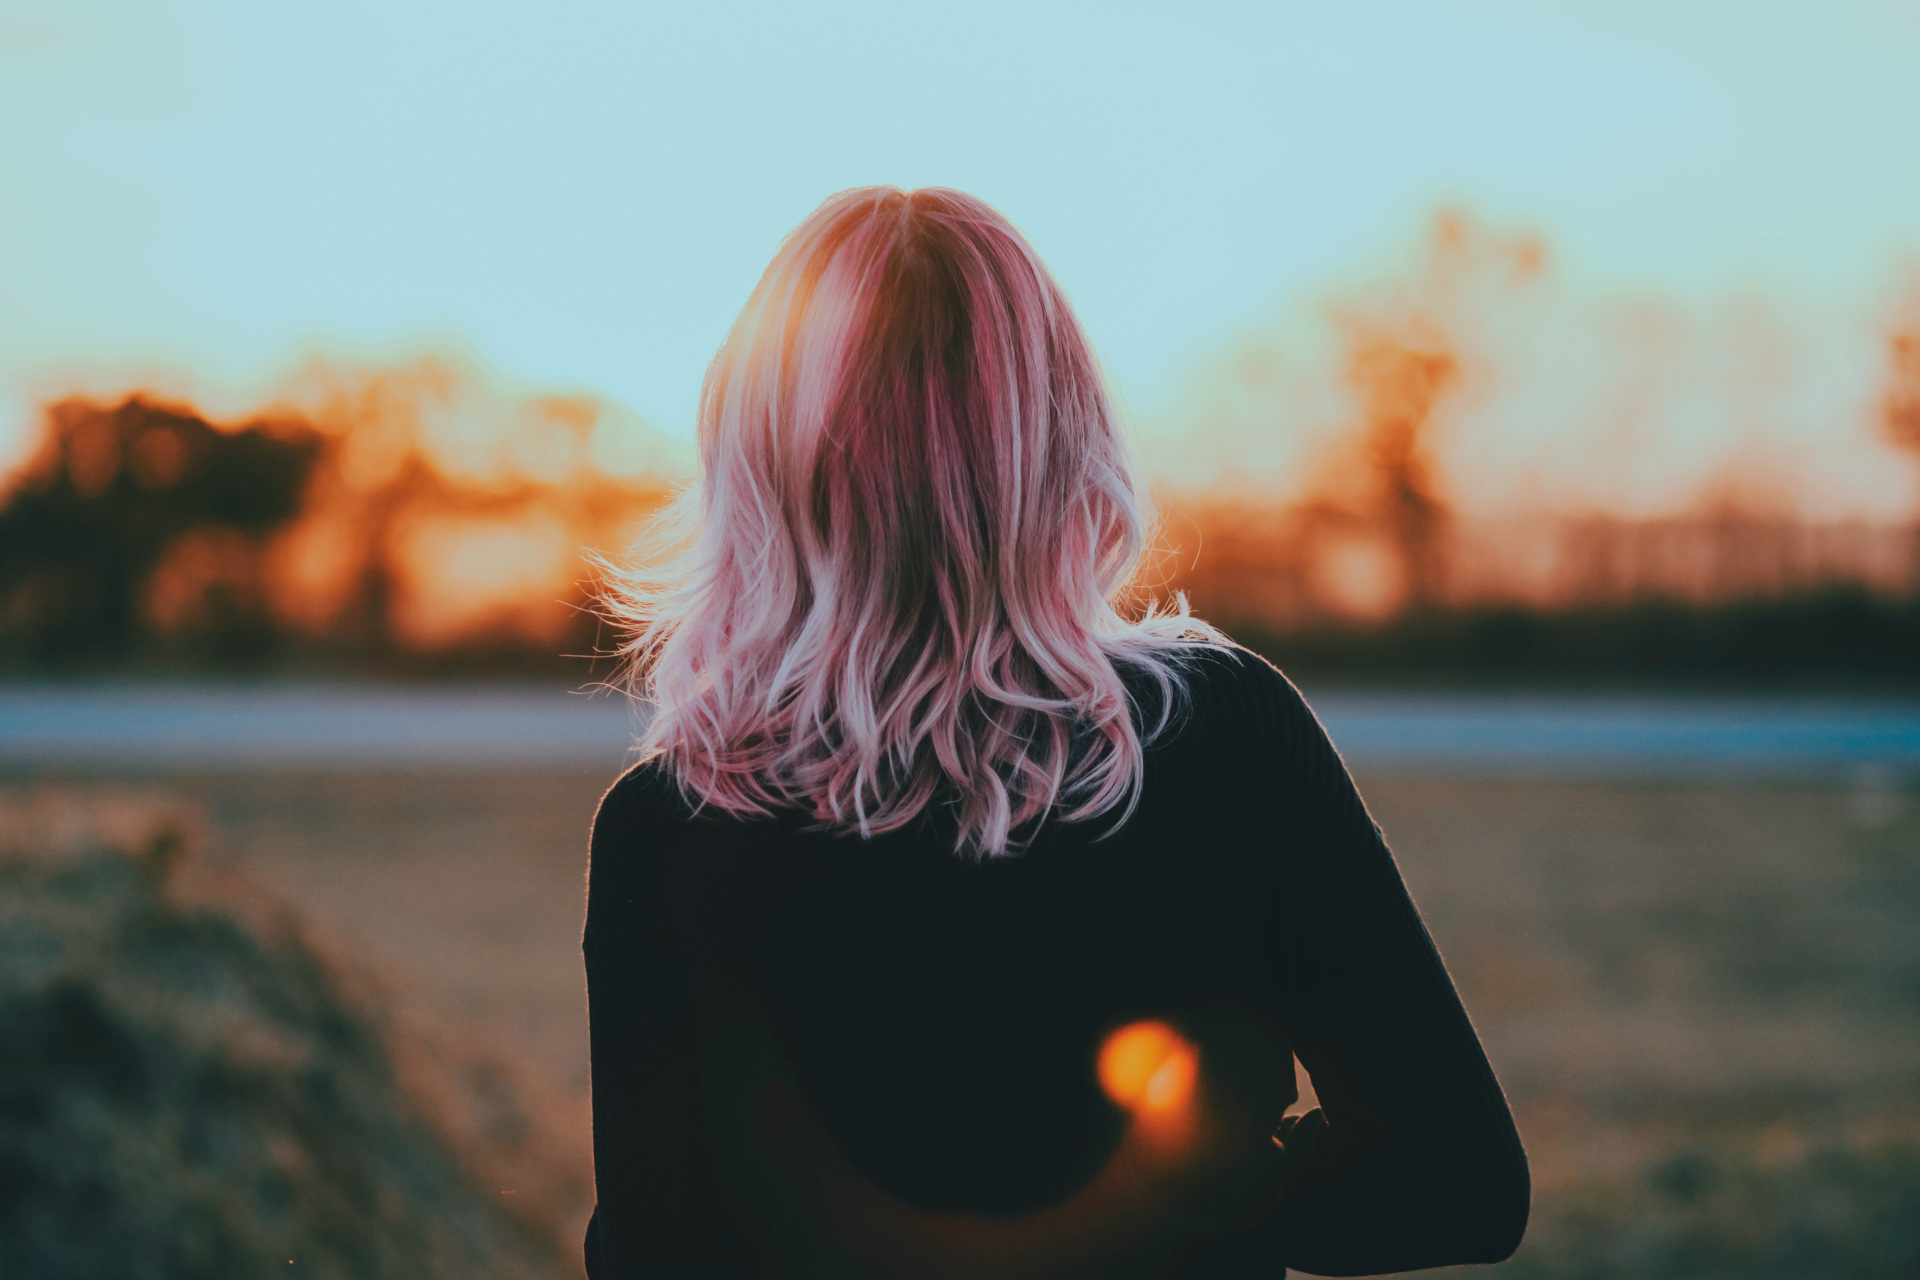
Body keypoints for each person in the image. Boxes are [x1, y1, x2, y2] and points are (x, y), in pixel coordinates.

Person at [583, 186, 1528, 1278]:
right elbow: (1454, 1179)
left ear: (755, 461)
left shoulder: (671, 829)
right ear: (1062, 436)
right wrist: (1197, 1198)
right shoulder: (1224, 735)